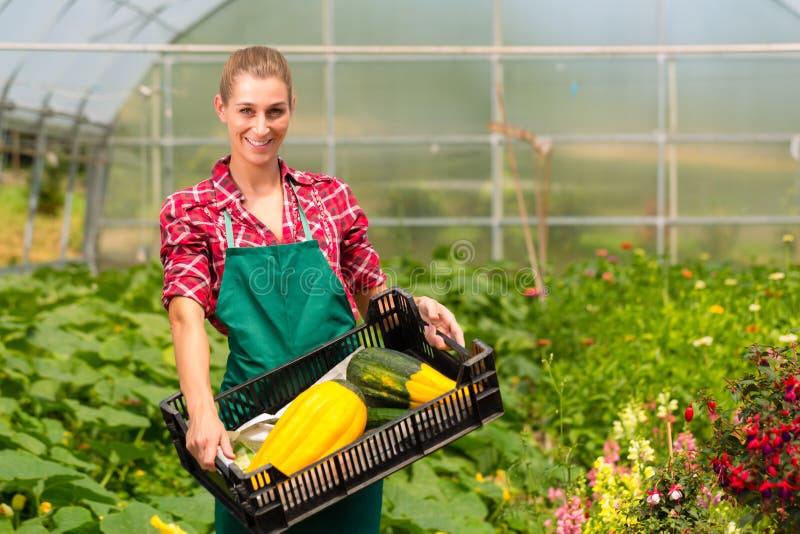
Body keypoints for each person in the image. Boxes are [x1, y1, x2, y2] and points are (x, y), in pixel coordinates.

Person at [159, 46, 465, 533]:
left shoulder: (330, 197)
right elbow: (185, 313)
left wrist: (417, 311)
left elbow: (371, 292)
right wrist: (200, 412)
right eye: (247, 111)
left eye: (275, 111)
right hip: (255, 417)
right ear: (222, 109)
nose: (261, 127)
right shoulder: (193, 209)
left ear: (292, 108)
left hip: (346, 409)